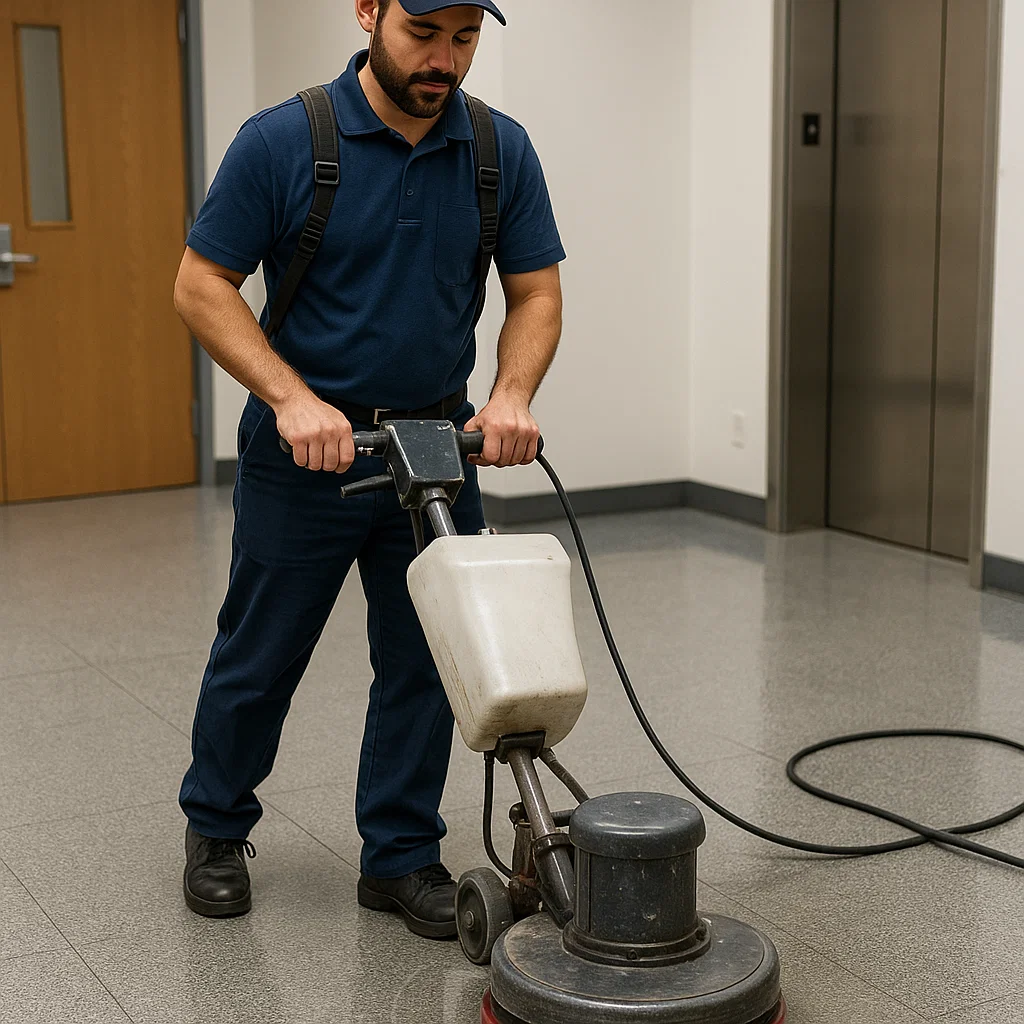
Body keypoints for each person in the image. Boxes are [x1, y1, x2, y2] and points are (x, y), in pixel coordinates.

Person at [171, 0, 565, 940]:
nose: (443, 59)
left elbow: (537, 290)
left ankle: (397, 856)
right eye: (423, 34)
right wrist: (289, 397)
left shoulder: (498, 151)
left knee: (429, 663)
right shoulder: (283, 141)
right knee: (261, 655)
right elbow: (200, 284)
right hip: (305, 455)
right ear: (367, 12)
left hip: (436, 452)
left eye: (464, 39)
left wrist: (509, 395)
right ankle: (216, 828)